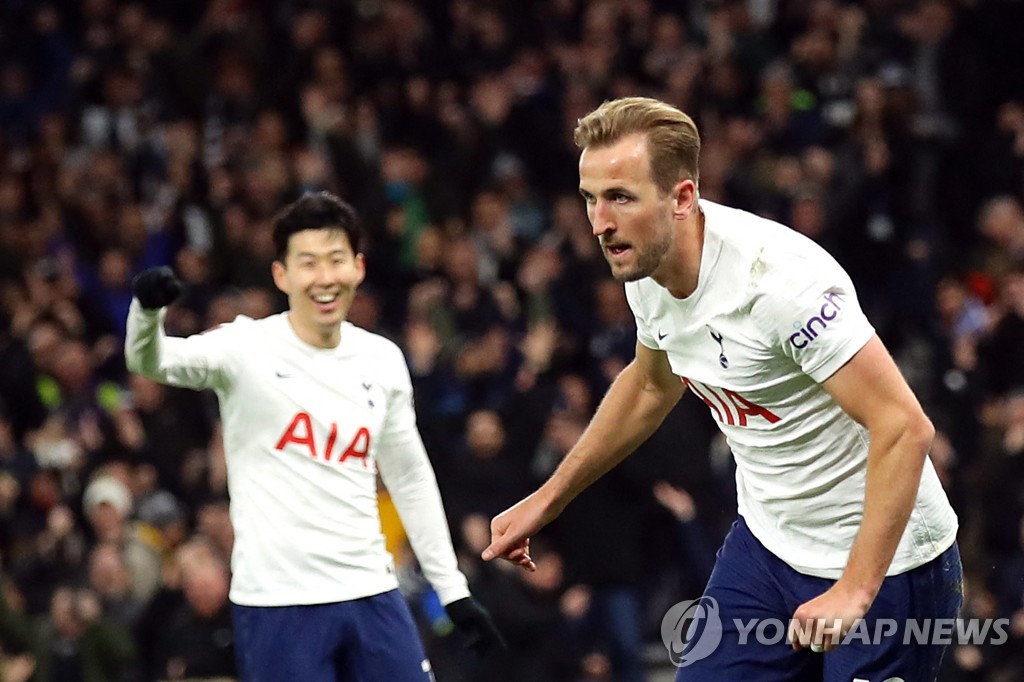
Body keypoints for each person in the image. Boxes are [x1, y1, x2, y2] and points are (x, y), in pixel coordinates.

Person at [482, 97, 961, 681]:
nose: (600, 223)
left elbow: (905, 427)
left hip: (886, 565)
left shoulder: (779, 285)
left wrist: (856, 590)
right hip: (767, 549)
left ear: (683, 198)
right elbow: (651, 384)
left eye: (621, 198)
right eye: (591, 199)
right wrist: (548, 499)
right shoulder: (645, 267)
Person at [125, 191, 503, 681]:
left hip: (371, 590)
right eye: (308, 263)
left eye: (336, 261)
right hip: (279, 604)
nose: (324, 278)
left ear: (359, 268)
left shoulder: (381, 359)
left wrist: (452, 589)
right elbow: (150, 361)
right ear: (282, 275)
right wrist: (147, 313)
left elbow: (408, 475)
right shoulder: (245, 348)